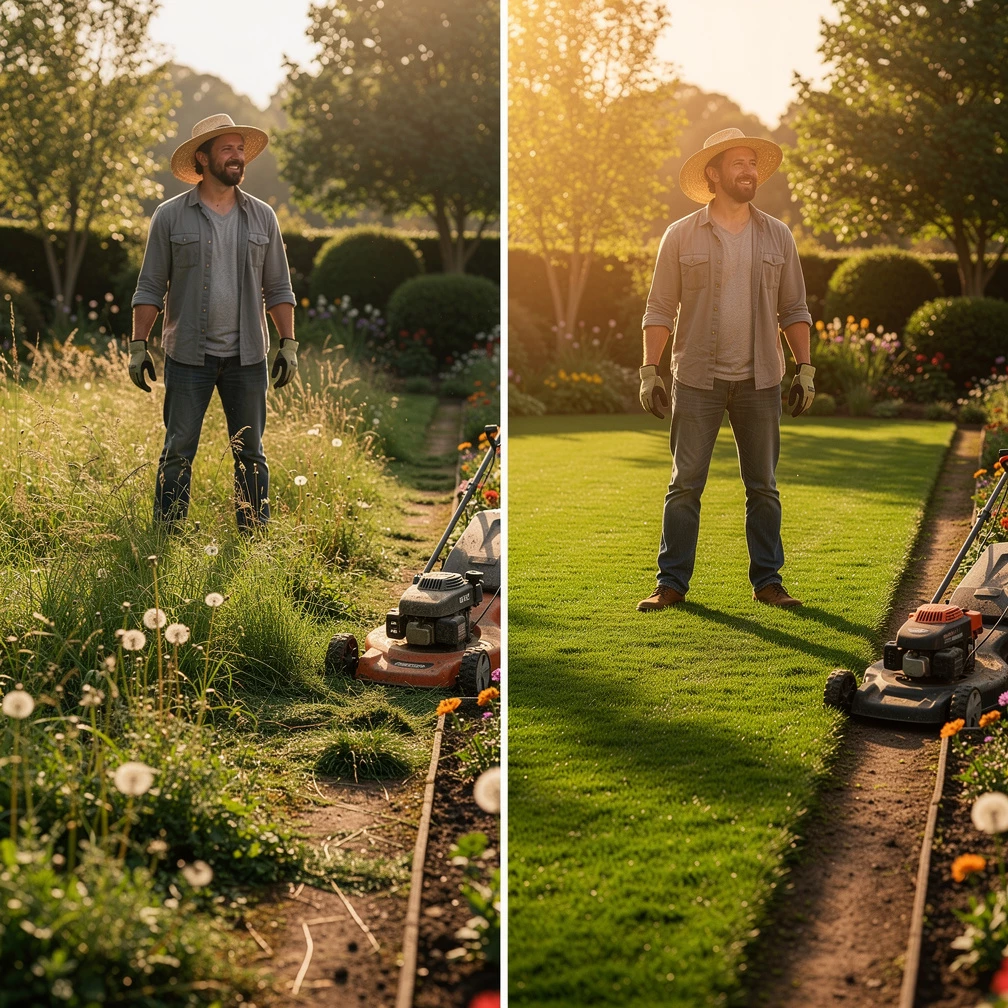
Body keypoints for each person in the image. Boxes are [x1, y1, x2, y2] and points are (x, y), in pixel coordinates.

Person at [636, 127, 815, 612]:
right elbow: (659, 308)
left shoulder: (778, 235)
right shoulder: (680, 235)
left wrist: (805, 370)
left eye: (753, 164)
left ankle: (768, 583)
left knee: (763, 486)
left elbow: (795, 309)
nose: (748, 171)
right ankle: (671, 584)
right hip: (696, 378)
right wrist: (650, 371)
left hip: (761, 379)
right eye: (738, 163)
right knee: (684, 485)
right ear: (713, 173)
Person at [129, 113, 299, 535]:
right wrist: (138, 345)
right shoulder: (169, 216)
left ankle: (253, 540)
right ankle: (165, 540)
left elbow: (279, 286)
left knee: (252, 454)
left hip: (247, 359)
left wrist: (288, 343)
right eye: (228, 149)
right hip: (188, 357)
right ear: (202, 159)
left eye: (241, 149)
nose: (238, 157)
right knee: (178, 451)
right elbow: (150, 284)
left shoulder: (263, 217)